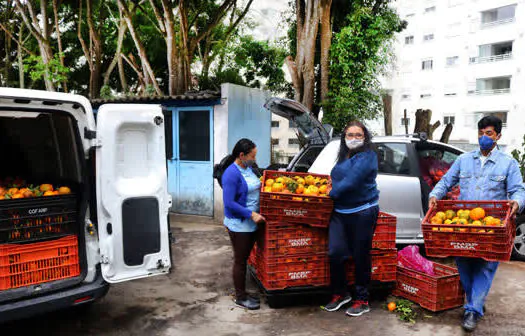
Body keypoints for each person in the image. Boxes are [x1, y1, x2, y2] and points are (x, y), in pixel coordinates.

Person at [429, 116, 525, 332]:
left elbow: (518, 189)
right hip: (465, 224)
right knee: (464, 263)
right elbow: (446, 181)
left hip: (491, 226)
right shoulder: (464, 160)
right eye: (480, 133)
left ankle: (472, 309)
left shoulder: (508, 163)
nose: (483, 137)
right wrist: (435, 195)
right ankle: (476, 301)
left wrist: (517, 203)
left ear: (498, 136)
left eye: (488, 133)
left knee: (485, 265)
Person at [321, 121, 380, 317]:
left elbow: (352, 181)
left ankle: (362, 299)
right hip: (340, 212)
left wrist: (331, 192)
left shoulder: (368, 157)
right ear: (344, 137)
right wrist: (330, 182)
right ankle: (340, 293)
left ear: (365, 138)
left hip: (363, 211)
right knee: (335, 252)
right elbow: (337, 176)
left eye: (358, 135)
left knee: (361, 255)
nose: (353, 139)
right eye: (350, 135)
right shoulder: (343, 155)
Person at [221, 138, 266, 310]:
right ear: (242, 155)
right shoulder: (231, 174)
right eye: (252, 156)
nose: (254, 159)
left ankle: (244, 293)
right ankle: (240, 297)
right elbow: (229, 203)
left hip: (252, 222)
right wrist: (251, 214)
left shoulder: (248, 169)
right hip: (240, 224)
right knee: (240, 260)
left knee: (246, 258)